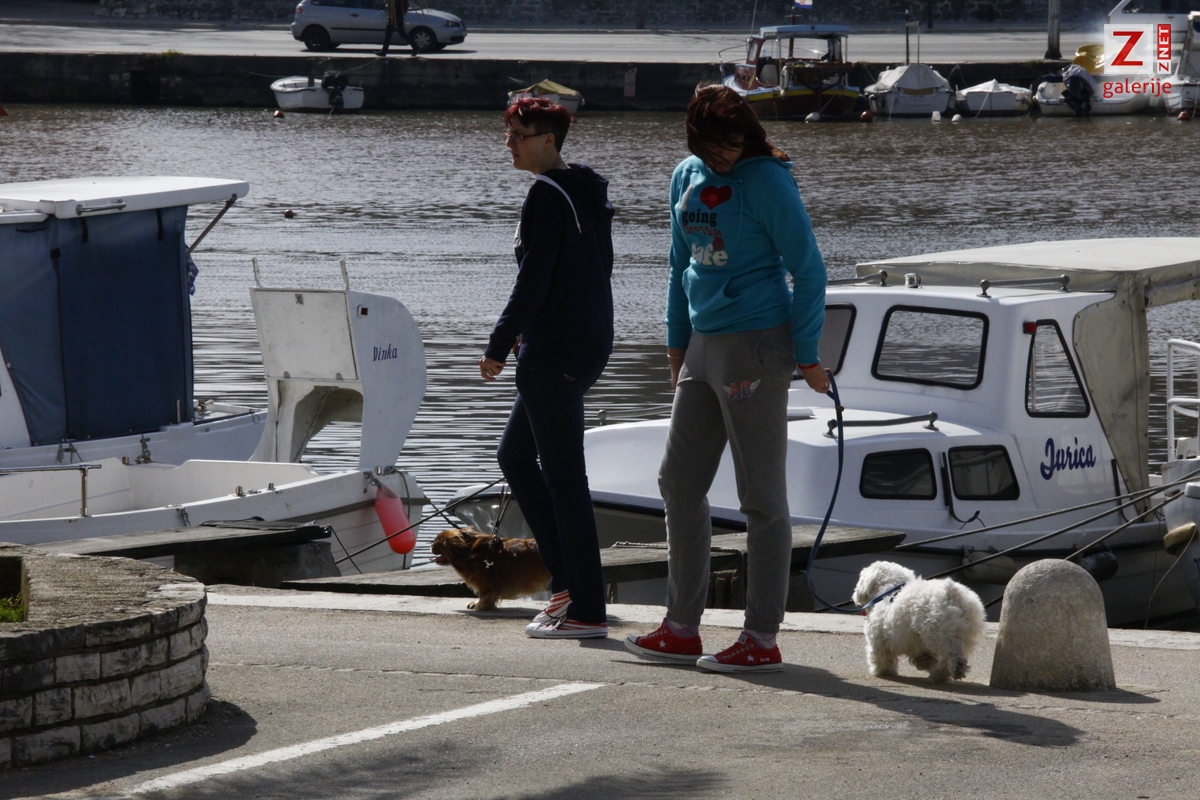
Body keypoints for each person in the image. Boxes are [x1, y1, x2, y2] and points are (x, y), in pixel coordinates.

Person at [625, 84, 829, 672]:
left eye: (736, 141)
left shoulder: (768, 181)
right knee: (678, 482)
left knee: (760, 496)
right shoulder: (685, 175)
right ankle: (681, 628)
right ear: (697, 140)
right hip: (702, 345)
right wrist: (676, 347)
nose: (727, 154)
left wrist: (808, 355)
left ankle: (761, 637)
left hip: (757, 345)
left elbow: (809, 270)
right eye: (716, 145)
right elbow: (678, 265)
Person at [480, 97, 616, 639]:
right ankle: (565, 585)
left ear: (548, 140)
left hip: (554, 353)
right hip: (583, 345)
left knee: (566, 484)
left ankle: (585, 610)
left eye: (518, 135)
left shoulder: (547, 195)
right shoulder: (583, 191)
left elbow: (533, 279)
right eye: (508, 133)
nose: (509, 143)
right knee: (514, 456)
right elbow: (594, 270)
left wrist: (499, 343)